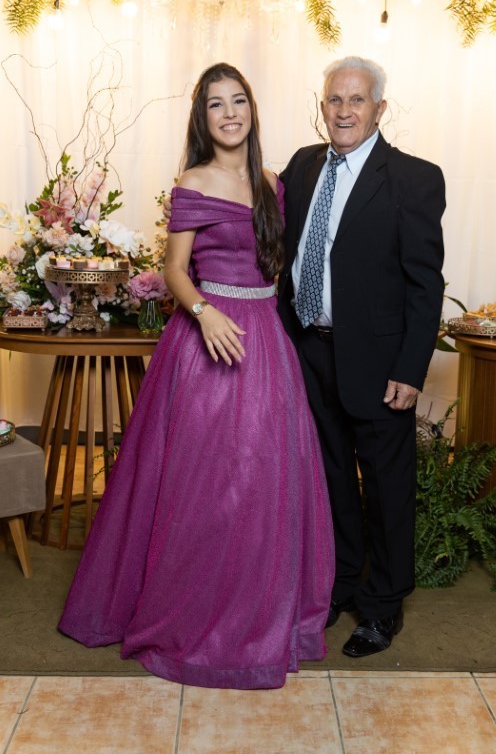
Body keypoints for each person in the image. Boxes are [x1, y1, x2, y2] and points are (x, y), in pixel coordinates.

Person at [58, 63, 335, 690]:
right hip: (210, 336)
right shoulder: (194, 180)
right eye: (216, 104)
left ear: (252, 110)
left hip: (266, 339)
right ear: (202, 117)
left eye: (238, 101)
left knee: (264, 482)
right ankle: (195, 612)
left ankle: (260, 610)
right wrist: (206, 313)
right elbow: (174, 269)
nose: (229, 114)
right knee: (206, 485)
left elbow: (280, 264)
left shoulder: (271, 182)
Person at [277, 55, 445, 658]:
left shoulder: (414, 179)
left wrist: (410, 369)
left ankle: (382, 606)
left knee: (386, 488)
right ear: (321, 106)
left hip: (379, 365)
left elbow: (425, 284)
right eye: (334, 99)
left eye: (356, 100)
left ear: (379, 109)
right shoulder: (301, 166)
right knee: (330, 483)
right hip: (310, 352)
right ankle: (343, 582)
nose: (344, 111)